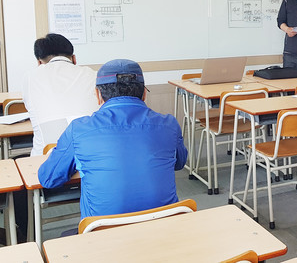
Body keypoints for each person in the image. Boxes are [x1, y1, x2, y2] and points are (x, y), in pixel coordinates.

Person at [38, 59, 188, 225]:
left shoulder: (79, 129)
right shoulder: (169, 124)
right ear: (144, 93)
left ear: (98, 95)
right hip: (166, 226)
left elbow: (48, 178)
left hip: (105, 234)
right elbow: (179, 163)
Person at [22, 33, 98, 156]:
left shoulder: (30, 77)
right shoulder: (93, 74)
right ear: (74, 59)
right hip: (91, 154)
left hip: (46, 157)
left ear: (39, 62)